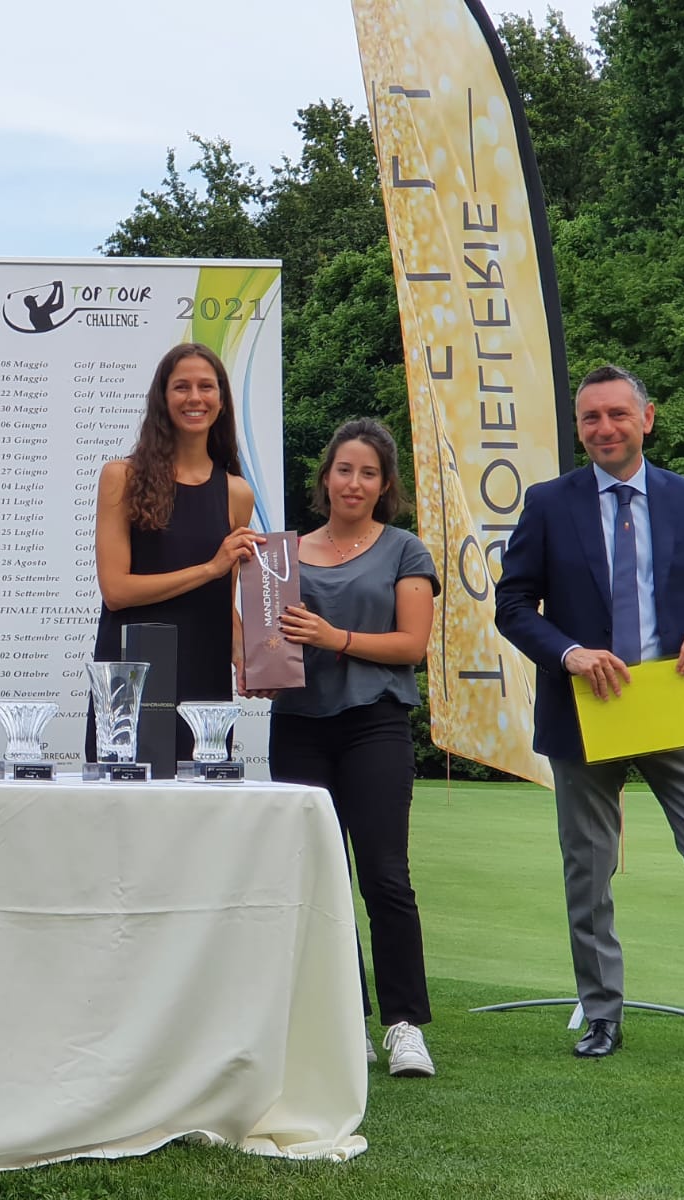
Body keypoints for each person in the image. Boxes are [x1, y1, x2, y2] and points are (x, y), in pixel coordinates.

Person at [494, 364, 684, 1062]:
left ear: (646, 419)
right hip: (585, 709)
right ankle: (601, 1015)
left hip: (670, 706)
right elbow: (512, 605)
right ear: (579, 428)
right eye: (590, 417)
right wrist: (568, 653)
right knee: (589, 869)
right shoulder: (547, 503)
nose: (604, 428)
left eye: (617, 414)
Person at [263, 418, 439, 1078]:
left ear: (385, 484)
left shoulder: (404, 550)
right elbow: (265, 643)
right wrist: (256, 667)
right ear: (326, 477)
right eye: (345, 470)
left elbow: (411, 645)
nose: (355, 483)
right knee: (319, 878)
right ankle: (347, 1020)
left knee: (385, 875)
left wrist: (333, 637)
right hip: (298, 725)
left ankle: (404, 1025)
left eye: (369, 473)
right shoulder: (282, 555)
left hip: (375, 723)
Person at [89, 343, 261, 764]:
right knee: (121, 794)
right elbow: (116, 591)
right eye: (181, 386)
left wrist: (252, 654)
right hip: (131, 670)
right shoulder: (121, 476)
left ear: (222, 399)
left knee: (201, 792)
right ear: (162, 398)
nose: (194, 397)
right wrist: (210, 568)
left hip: (204, 669)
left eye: (206, 386)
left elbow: (224, 600)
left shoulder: (237, 492)